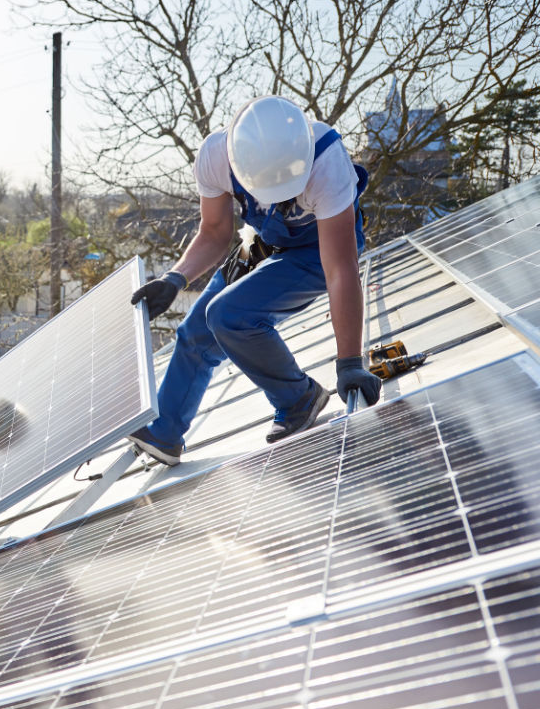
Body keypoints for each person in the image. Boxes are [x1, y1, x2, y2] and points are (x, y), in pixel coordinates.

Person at [128, 95, 383, 465]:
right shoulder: (216, 156)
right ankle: (164, 432)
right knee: (196, 328)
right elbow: (215, 232)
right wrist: (175, 278)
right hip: (263, 241)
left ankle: (298, 399)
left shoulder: (326, 160)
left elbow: (340, 269)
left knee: (229, 315)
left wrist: (349, 363)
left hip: (319, 248)